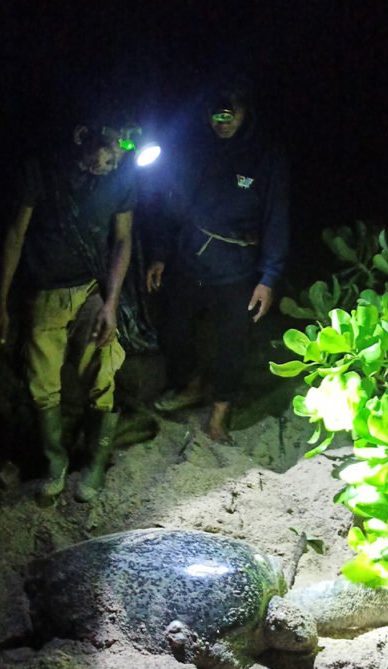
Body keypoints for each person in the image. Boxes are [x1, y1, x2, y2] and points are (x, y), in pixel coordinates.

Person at [0, 120, 134, 503]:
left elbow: (122, 239)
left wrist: (111, 304)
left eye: (122, 148)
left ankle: (96, 463)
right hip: (44, 290)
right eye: (109, 148)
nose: (115, 158)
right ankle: (55, 462)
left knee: (104, 367)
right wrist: (1, 303)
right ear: (82, 136)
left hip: (90, 288)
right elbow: (15, 235)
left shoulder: (121, 174)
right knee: (41, 383)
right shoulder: (43, 168)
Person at [144, 77, 290, 441]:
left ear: (246, 112)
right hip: (189, 257)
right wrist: (161, 254)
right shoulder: (197, 150)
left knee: (233, 344)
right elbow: (173, 205)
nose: (222, 121)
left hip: (238, 267)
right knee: (173, 328)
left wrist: (268, 277)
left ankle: (220, 412)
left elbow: (277, 217)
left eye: (230, 113)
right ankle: (191, 383)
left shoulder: (266, 156)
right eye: (215, 114)